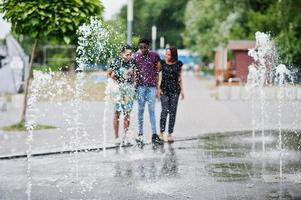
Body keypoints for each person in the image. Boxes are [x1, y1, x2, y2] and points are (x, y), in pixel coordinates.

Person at [134, 38, 163, 145]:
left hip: (151, 87)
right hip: (140, 87)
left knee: (151, 110)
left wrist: (157, 87)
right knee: (140, 111)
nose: (142, 49)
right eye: (140, 47)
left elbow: (159, 69)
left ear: (148, 47)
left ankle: (154, 135)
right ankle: (140, 134)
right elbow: (133, 71)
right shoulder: (136, 56)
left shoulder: (154, 56)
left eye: (144, 47)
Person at [107, 45, 136, 145]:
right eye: (127, 54)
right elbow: (109, 74)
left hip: (128, 89)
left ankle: (126, 136)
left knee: (127, 113)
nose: (129, 56)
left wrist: (133, 84)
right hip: (117, 89)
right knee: (117, 112)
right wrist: (115, 79)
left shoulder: (132, 62)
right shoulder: (115, 62)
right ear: (122, 54)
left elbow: (134, 75)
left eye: (130, 54)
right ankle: (116, 137)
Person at [158, 47, 184, 143]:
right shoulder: (162, 63)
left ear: (173, 55)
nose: (166, 56)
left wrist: (182, 91)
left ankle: (169, 133)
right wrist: (158, 89)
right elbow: (158, 76)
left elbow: (180, 78)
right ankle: (161, 132)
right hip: (164, 90)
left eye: (168, 54)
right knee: (164, 110)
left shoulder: (179, 64)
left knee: (173, 112)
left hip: (175, 91)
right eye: (166, 54)